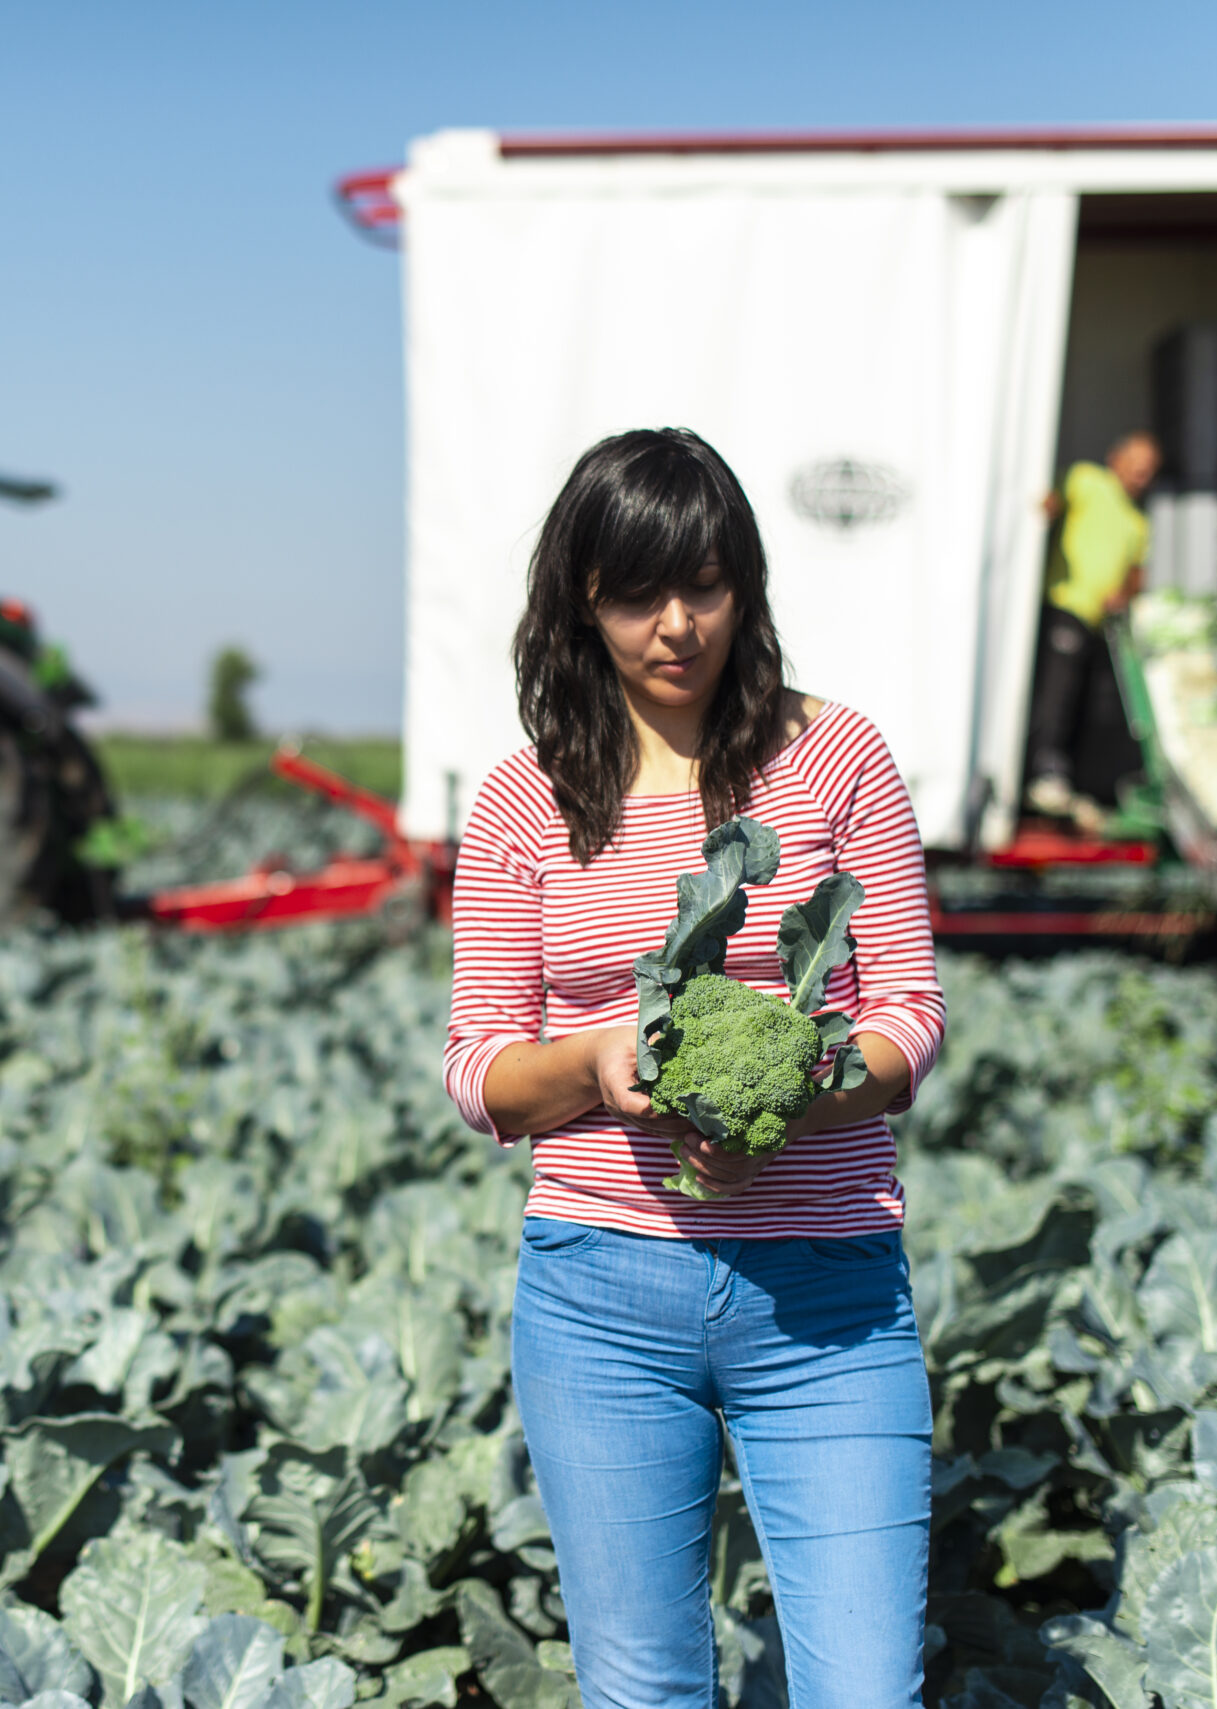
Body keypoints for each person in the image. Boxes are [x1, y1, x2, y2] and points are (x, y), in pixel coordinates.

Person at [445, 429, 945, 1708]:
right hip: (602, 1300)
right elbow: (481, 1065)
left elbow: (905, 1013)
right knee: (643, 1689)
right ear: (579, 601)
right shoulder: (522, 800)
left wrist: (800, 1094)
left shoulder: (837, 758)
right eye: (633, 594)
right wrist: (602, 1064)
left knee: (866, 1689)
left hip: (828, 1301)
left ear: (748, 586)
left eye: (707, 585)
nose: (677, 625)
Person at [1025, 431, 1160, 821]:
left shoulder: (1138, 522)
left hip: (1100, 626)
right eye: (1137, 464)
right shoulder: (1087, 480)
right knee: (1056, 694)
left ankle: (1070, 777)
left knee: (1089, 702)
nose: (1141, 475)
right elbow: (1051, 500)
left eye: (1148, 471)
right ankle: (1042, 770)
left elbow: (1136, 572)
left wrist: (1125, 592)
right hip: (1065, 604)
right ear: (1116, 458)